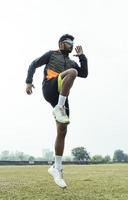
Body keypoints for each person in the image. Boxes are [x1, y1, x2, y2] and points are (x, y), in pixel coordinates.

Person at [25, 34, 88, 188]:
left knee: (62, 130)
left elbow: (84, 74)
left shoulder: (72, 61)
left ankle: (56, 168)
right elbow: (33, 64)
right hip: (49, 86)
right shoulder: (52, 54)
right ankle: (59, 108)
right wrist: (28, 82)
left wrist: (82, 57)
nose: (71, 45)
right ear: (61, 44)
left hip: (61, 95)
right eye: (68, 43)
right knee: (72, 72)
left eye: (72, 43)